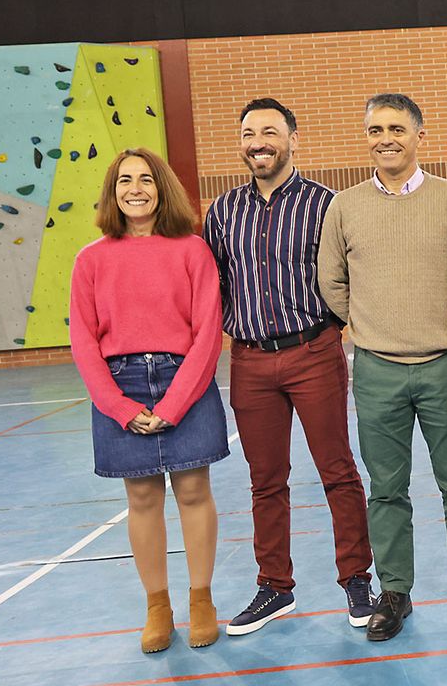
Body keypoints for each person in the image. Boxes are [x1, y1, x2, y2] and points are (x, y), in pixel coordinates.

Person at [318, 93, 447, 643]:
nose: (386, 138)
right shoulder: (344, 206)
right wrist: (374, 326)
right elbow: (332, 282)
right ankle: (394, 592)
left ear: (421, 134)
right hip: (377, 372)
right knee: (386, 489)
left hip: (445, 368)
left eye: (397, 128)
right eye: (375, 129)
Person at [203, 98, 374, 636]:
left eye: (270, 131)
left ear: (293, 140)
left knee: (338, 471)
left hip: (313, 351)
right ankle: (274, 587)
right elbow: (212, 287)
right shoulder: (223, 212)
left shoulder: (327, 205)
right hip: (250, 361)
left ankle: (356, 579)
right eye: (249, 132)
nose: (258, 141)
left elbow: (348, 278)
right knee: (265, 480)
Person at [70, 148, 229, 653]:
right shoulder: (90, 260)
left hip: (184, 380)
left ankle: (201, 600)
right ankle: (157, 607)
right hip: (122, 385)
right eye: (124, 181)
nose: (134, 188)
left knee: (192, 491)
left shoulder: (192, 250)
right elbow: (84, 343)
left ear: (162, 188)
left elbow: (207, 333)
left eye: (145, 179)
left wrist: (176, 402)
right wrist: (120, 407)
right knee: (141, 498)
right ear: (112, 192)